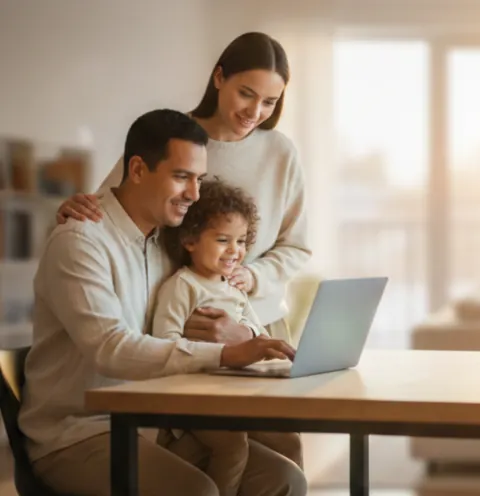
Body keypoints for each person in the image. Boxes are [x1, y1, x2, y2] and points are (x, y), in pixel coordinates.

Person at [54, 31, 310, 467]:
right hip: (182, 317)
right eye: (246, 94)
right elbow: (116, 205)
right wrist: (72, 207)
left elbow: (296, 247)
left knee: (280, 453)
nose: (255, 112)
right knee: (214, 451)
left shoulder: (280, 152)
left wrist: (251, 276)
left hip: (254, 321)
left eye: (269, 102)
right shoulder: (175, 139)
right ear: (218, 78)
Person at [20, 108, 307, 496]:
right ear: (137, 170)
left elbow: (220, 297)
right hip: (81, 434)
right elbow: (110, 348)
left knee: (283, 478)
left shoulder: (168, 244)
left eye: (199, 179)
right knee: (196, 491)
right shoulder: (80, 243)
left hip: (155, 425)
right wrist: (224, 355)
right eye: (181, 177)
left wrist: (244, 336)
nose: (194, 193)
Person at [151, 178, 301, 496]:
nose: (235, 251)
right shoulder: (182, 287)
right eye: (223, 240)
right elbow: (164, 344)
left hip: (235, 395)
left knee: (287, 437)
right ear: (190, 239)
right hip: (195, 403)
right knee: (232, 444)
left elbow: (257, 334)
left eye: (242, 241)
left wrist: (272, 347)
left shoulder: (231, 286)